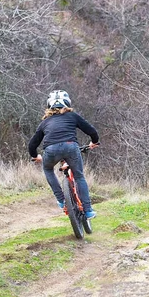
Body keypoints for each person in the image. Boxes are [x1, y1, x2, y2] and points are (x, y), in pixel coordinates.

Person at [28, 90, 99, 218]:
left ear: (49, 105)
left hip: (50, 150)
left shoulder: (44, 122)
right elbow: (92, 131)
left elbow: (32, 145)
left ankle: (61, 200)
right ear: (67, 103)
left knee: (48, 169)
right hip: (71, 147)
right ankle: (88, 211)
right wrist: (94, 142)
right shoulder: (72, 116)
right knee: (79, 177)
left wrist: (35, 156)